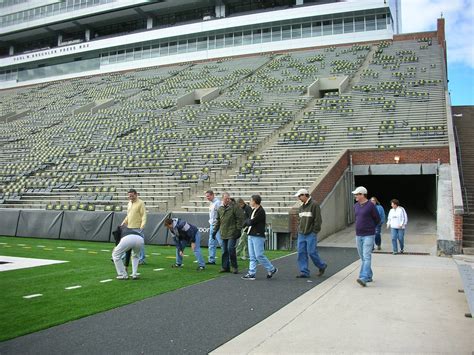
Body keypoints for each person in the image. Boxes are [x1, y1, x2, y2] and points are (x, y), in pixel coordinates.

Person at [241, 195, 278, 280]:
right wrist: (247, 222)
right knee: (252, 256)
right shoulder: (254, 210)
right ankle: (251, 273)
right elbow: (249, 221)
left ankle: (272, 269)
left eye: (251, 200)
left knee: (259, 255)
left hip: (257, 235)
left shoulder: (260, 211)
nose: (250, 202)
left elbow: (252, 221)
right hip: (251, 234)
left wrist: (246, 222)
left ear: (254, 201)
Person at [294, 188, 327, 278]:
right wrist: (299, 230)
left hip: (310, 233)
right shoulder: (301, 207)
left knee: (312, 252)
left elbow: (318, 219)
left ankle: (322, 266)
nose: (298, 198)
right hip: (301, 233)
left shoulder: (314, 204)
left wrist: (314, 231)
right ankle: (304, 272)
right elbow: (299, 220)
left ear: (305, 195)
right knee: (301, 253)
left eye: (300, 196)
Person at [352, 186, 381, 287]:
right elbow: (356, 218)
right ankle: (369, 276)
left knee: (366, 256)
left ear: (362, 194)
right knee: (363, 257)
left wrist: (371, 228)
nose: (355, 196)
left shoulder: (371, 205)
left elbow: (377, 219)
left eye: (357, 194)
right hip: (358, 234)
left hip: (368, 235)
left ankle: (363, 277)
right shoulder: (355, 206)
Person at [211, 192, 245, 274]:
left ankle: (234, 267)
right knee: (224, 250)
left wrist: (238, 229)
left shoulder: (235, 207)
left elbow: (240, 218)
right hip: (223, 232)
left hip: (232, 232)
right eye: (226, 198)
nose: (228, 200)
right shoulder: (220, 208)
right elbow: (218, 221)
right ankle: (225, 267)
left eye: (228, 198)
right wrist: (214, 231)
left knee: (230, 249)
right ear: (222, 199)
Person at [121, 189, 147, 264]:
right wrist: (123, 223)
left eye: (132, 196)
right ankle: (123, 257)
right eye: (129, 196)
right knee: (128, 243)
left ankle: (141, 259)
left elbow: (144, 215)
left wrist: (142, 226)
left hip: (137, 227)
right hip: (129, 226)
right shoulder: (129, 203)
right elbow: (128, 215)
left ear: (136, 194)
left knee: (140, 244)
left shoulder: (141, 203)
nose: (131, 197)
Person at [205, 190, 222, 265]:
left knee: (222, 243)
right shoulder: (212, 203)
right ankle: (211, 260)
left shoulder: (217, 203)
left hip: (217, 225)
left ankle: (227, 259)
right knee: (211, 243)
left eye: (208, 196)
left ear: (212, 195)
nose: (207, 198)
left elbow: (221, 214)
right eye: (206, 196)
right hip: (212, 225)